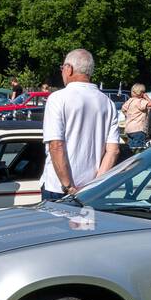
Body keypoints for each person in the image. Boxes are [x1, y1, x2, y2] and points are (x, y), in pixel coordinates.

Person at [40, 48, 120, 201]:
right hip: (91, 189)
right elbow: (113, 151)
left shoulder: (57, 98)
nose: (62, 72)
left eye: (62, 68)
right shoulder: (107, 103)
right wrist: (95, 186)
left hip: (58, 187)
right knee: (86, 225)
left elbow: (56, 145)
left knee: (53, 225)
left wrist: (69, 186)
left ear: (69, 69)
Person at [122, 84, 151, 152]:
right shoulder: (140, 101)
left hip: (129, 128)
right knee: (138, 150)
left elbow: (123, 110)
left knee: (131, 149)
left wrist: (129, 115)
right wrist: (147, 98)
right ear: (142, 93)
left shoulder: (129, 101)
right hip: (138, 129)